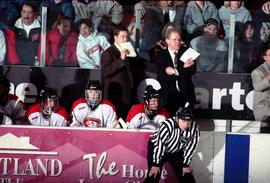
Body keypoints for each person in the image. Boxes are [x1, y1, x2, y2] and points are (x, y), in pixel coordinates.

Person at [144, 105, 200, 183]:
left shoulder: (195, 128)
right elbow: (160, 145)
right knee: (154, 174)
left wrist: (185, 164)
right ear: (177, 119)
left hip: (176, 150)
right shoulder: (167, 126)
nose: (186, 125)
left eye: (189, 121)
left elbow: (191, 147)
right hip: (158, 147)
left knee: (187, 175)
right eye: (183, 121)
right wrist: (155, 164)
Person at [156, 28, 196, 116]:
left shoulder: (187, 52)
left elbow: (192, 70)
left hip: (186, 95)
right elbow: (164, 77)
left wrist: (175, 71)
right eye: (174, 39)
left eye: (179, 39)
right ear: (167, 41)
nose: (177, 42)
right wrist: (183, 69)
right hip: (168, 97)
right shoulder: (161, 55)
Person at [101, 25, 134, 119]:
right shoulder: (108, 53)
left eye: (127, 37)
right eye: (122, 37)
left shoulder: (129, 50)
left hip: (127, 94)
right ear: (115, 38)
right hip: (115, 96)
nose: (125, 39)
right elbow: (105, 71)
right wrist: (121, 59)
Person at [251, 45, 270, 133]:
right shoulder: (258, 72)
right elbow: (258, 87)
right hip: (264, 109)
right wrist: (269, 78)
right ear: (265, 57)